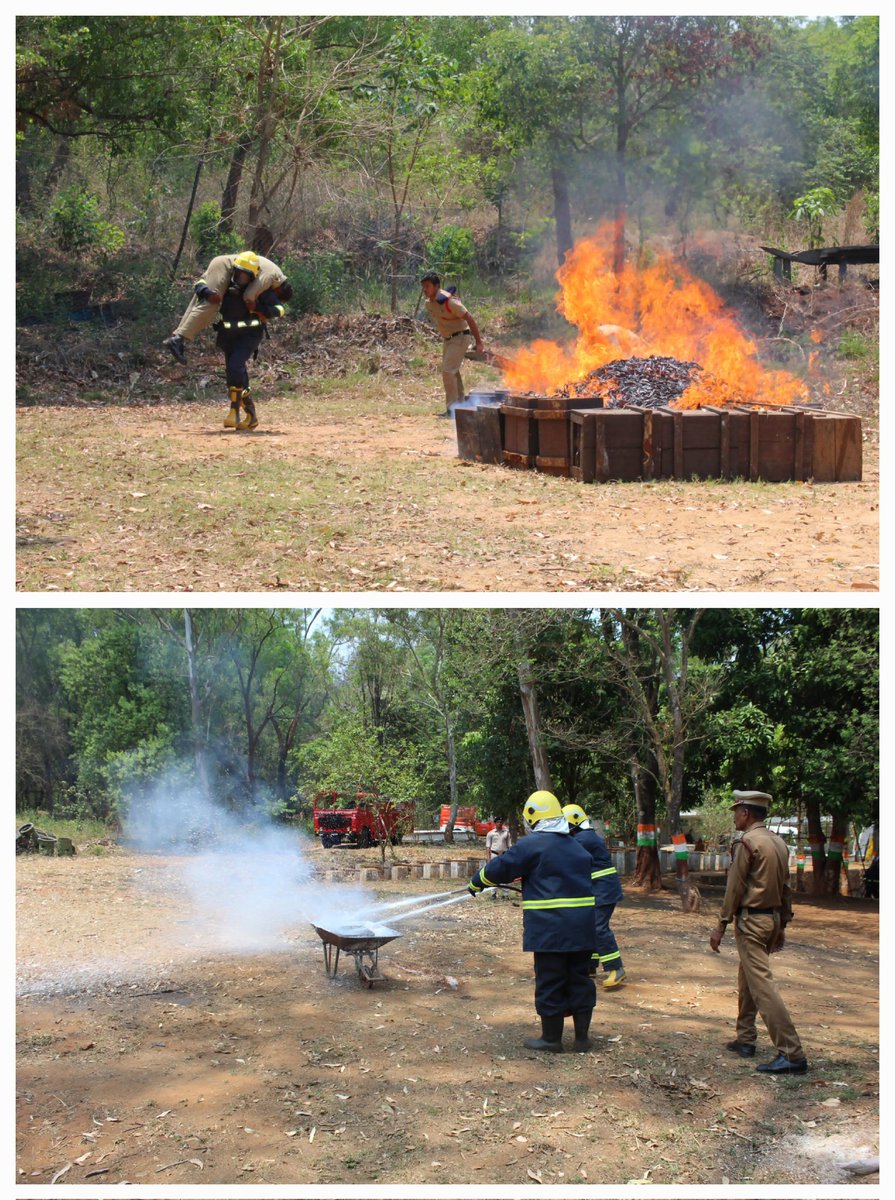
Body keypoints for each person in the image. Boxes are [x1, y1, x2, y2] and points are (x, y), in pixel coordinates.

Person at [468, 790, 596, 1053]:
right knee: (579, 979)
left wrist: (477, 881)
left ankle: (551, 1040)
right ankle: (582, 1039)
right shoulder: (576, 846)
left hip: (551, 930)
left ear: (533, 817)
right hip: (582, 930)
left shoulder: (533, 844)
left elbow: (502, 867)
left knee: (551, 980)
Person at [709, 789, 808, 1075]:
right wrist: (782, 923)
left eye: (736, 812)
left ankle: (792, 1053)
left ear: (746, 813)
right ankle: (745, 1039)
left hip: (752, 922)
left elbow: (734, 889)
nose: (734, 817)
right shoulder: (778, 842)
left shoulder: (748, 843)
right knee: (748, 979)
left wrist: (720, 926)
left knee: (762, 987)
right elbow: (786, 887)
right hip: (771, 920)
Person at [162, 250, 291, 365]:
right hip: (224, 266)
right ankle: (178, 339)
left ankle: (178, 337)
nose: (275, 296)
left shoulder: (274, 273)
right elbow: (249, 296)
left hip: (231, 267)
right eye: (278, 297)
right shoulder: (271, 276)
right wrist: (258, 311)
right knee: (212, 301)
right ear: (280, 290)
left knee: (200, 302)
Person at [207, 257, 287, 429]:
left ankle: (234, 412)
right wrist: (204, 291)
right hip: (228, 335)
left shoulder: (260, 291)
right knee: (234, 375)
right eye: (238, 273)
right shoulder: (225, 286)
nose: (239, 277)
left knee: (236, 366)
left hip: (250, 335)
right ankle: (251, 415)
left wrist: (259, 308)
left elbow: (280, 309)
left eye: (244, 275)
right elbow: (203, 282)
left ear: (252, 277)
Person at [562, 804, 626, 988]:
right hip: (600, 891)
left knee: (598, 929)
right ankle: (589, 967)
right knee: (590, 928)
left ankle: (616, 968)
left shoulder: (583, 839)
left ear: (573, 823)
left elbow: (564, 858)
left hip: (603, 892)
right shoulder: (585, 837)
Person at [420, 271, 484, 416]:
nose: (425, 289)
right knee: (453, 372)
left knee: (448, 372)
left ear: (437, 286)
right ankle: (461, 406)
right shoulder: (429, 304)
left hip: (460, 337)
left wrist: (479, 342)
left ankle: (452, 410)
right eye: (423, 286)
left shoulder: (451, 302)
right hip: (448, 339)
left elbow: (469, 318)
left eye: (428, 286)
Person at [484, 817, 512, 899]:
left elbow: (509, 846)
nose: (499, 823)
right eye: (498, 822)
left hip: (504, 855)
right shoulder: (490, 833)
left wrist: (510, 857)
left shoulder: (506, 833)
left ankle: (505, 894)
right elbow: (488, 847)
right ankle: (493, 893)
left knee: (505, 874)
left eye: (501, 822)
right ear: (495, 823)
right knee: (494, 874)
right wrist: (488, 860)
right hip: (494, 855)